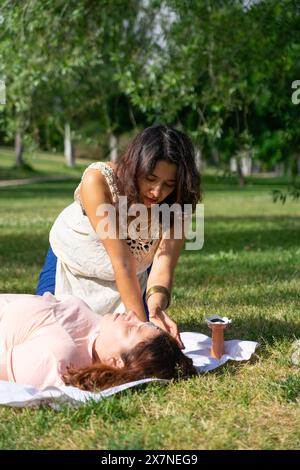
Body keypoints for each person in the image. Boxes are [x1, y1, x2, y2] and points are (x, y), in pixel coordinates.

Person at [36, 124, 201, 349]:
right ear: (135, 166)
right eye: (150, 179)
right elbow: (121, 263)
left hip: (132, 277)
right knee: (49, 337)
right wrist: (144, 333)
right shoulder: (99, 181)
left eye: (168, 184)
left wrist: (156, 307)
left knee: (128, 336)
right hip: (75, 264)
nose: (157, 191)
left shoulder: (178, 203)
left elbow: (163, 266)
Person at [0, 292, 197, 391]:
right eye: (140, 321)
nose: (132, 314)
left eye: (132, 328)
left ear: (115, 362)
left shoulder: (56, 355)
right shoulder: (97, 328)